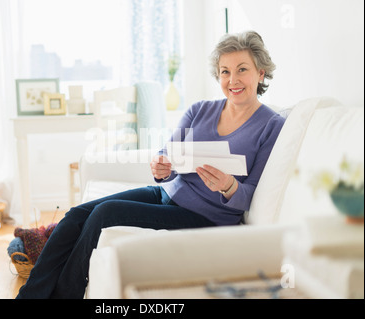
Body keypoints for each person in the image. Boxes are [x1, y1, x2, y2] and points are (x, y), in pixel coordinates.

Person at [16, 30, 286, 299]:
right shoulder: (200, 110)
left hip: (206, 218)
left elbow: (250, 195)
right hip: (167, 194)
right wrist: (161, 166)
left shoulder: (271, 125)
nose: (233, 80)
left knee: (104, 213)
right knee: (75, 215)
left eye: (242, 70)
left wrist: (229, 186)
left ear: (261, 73)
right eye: (225, 71)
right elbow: (166, 154)